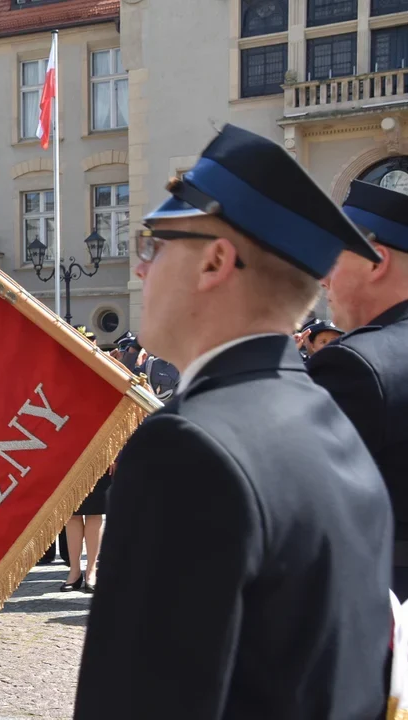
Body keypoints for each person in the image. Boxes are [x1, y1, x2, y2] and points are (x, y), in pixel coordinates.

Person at [74, 124, 393, 720]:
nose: (141, 271)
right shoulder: (329, 422)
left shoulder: (188, 447)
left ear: (216, 260)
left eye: (154, 245)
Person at [310, 179, 408, 600]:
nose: (322, 279)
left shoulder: (357, 367)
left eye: (332, 259)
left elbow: (305, 518)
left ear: (376, 261)